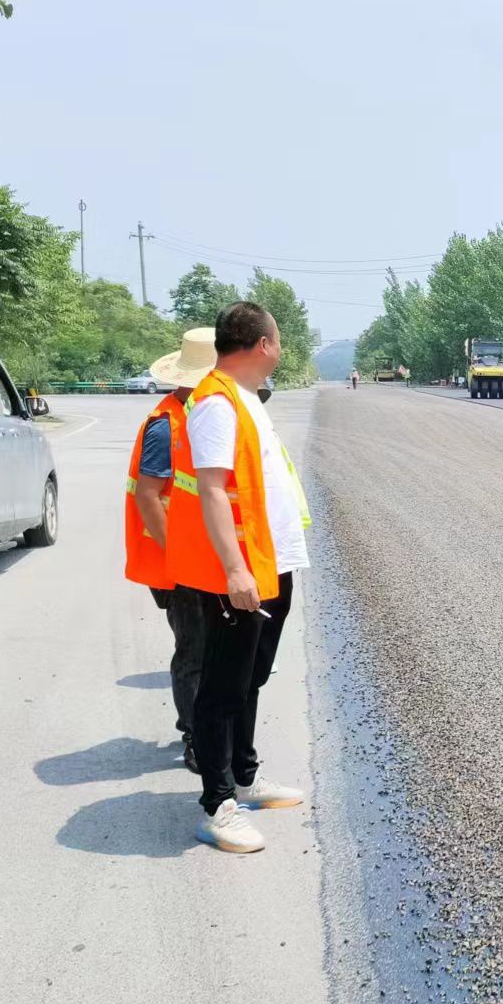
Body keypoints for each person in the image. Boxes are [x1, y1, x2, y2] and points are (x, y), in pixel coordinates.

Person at [167, 301, 313, 854]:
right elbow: (209, 489)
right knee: (221, 689)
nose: (280, 347)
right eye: (278, 338)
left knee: (250, 678)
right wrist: (234, 569)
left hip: (270, 564)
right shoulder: (215, 403)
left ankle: (245, 777)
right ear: (263, 344)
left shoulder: (248, 399)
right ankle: (216, 803)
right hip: (240, 572)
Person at [123, 328, 217, 773]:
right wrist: (178, 557)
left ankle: (209, 727)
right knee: (193, 652)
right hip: (178, 564)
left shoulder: (198, 415)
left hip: (204, 559)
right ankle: (194, 736)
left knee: (211, 649)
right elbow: (148, 496)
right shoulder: (167, 424)